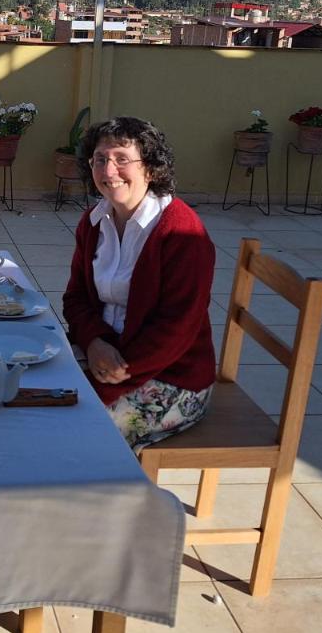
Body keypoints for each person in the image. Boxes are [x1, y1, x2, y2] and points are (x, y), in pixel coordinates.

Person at [63, 117, 216, 452]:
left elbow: (177, 329)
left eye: (121, 159)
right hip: (105, 357)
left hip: (170, 376)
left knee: (79, 433)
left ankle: (112, 502)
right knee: (29, 390)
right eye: (100, 160)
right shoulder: (93, 222)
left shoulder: (182, 233)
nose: (109, 170)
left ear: (150, 168)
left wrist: (113, 372)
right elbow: (75, 299)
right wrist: (95, 343)